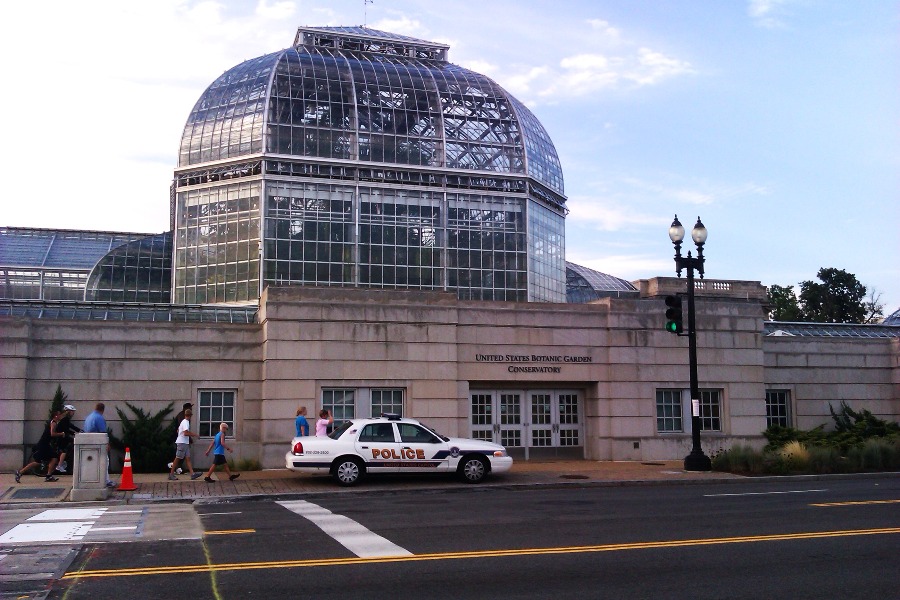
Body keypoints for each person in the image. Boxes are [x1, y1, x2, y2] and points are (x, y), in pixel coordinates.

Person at [16, 410, 65, 482]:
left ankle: (48, 475)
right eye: (59, 414)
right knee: (41, 461)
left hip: (45, 444)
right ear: (56, 416)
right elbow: (52, 434)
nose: (61, 416)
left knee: (52, 458)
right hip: (44, 445)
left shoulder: (53, 422)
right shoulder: (53, 423)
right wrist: (61, 434)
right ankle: (20, 472)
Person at [83, 402, 116, 487]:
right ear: (102, 410)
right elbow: (103, 432)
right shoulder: (99, 418)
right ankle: (106, 481)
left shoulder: (89, 417)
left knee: (93, 462)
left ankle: (93, 479)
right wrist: (107, 443)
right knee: (105, 461)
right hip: (98, 442)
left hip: (88, 442)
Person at [169, 405, 202, 480]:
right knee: (177, 458)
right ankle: (171, 474)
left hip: (184, 443)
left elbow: (179, 430)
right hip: (182, 443)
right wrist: (195, 435)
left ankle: (192, 474)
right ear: (190, 415)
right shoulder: (186, 422)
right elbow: (185, 433)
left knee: (188, 458)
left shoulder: (184, 422)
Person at [55, 404, 81, 473]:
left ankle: (63, 461)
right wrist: (75, 432)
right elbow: (67, 429)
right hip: (62, 436)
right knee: (64, 450)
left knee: (68, 447)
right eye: (72, 411)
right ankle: (59, 465)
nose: (73, 413)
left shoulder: (64, 418)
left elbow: (71, 426)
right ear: (68, 411)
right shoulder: (65, 419)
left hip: (62, 436)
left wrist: (79, 430)